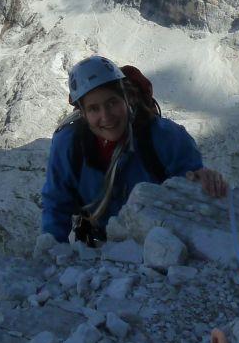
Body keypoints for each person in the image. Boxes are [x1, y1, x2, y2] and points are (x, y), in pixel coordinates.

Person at [41, 55, 228, 244]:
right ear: (82, 113)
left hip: (159, 244)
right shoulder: (68, 144)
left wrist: (201, 180)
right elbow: (56, 202)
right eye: (94, 109)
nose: (106, 116)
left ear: (127, 98)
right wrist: (52, 249)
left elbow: (189, 186)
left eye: (112, 103)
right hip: (99, 244)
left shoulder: (165, 137)